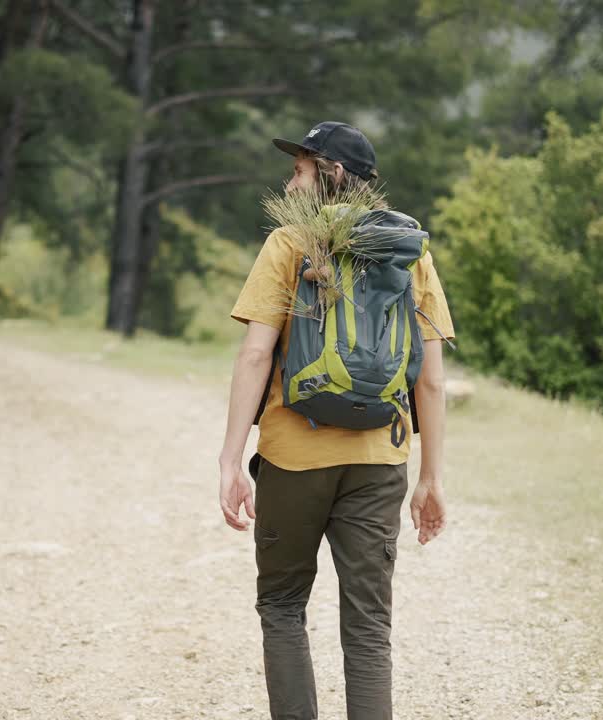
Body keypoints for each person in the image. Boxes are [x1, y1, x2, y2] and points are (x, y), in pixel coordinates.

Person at [218, 122, 455, 720]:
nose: (289, 180)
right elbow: (429, 378)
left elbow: (253, 354)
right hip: (380, 461)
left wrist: (229, 460)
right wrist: (431, 478)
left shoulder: (287, 244)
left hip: (293, 459)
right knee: (370, 629)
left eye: (299, 169)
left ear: (331, 174)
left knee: (281, 606)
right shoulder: (411, 251)